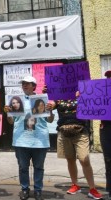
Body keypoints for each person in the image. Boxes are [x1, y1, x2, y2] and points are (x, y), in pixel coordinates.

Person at [45, 85, 103, 200]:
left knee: (84, 159)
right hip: (64, 132)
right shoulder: (59, 96)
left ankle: (92, 189)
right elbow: (51, 111)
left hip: (81, 131)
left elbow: (92, 106)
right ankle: (75, 184)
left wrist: (83, 97)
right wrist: (48, 97)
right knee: (70, 159)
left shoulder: (83, 92)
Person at [4, 76, 54, 200]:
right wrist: (8, 113)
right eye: (23, 84)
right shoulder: (17, 101)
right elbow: (10, 122)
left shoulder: (42, 99)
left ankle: (38, 190)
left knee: (39, 167)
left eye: (28, 83)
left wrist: (51, 111)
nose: (25, 85)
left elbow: (50, 120)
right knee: (23, 167)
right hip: (21, 140)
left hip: (40, 141)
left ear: (34, 86)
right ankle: (25, 189)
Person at [101, 69, 111, 200]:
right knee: (108, 161)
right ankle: (110, 191)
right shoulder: (101, 93)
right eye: (108, 78)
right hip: (106, 129)